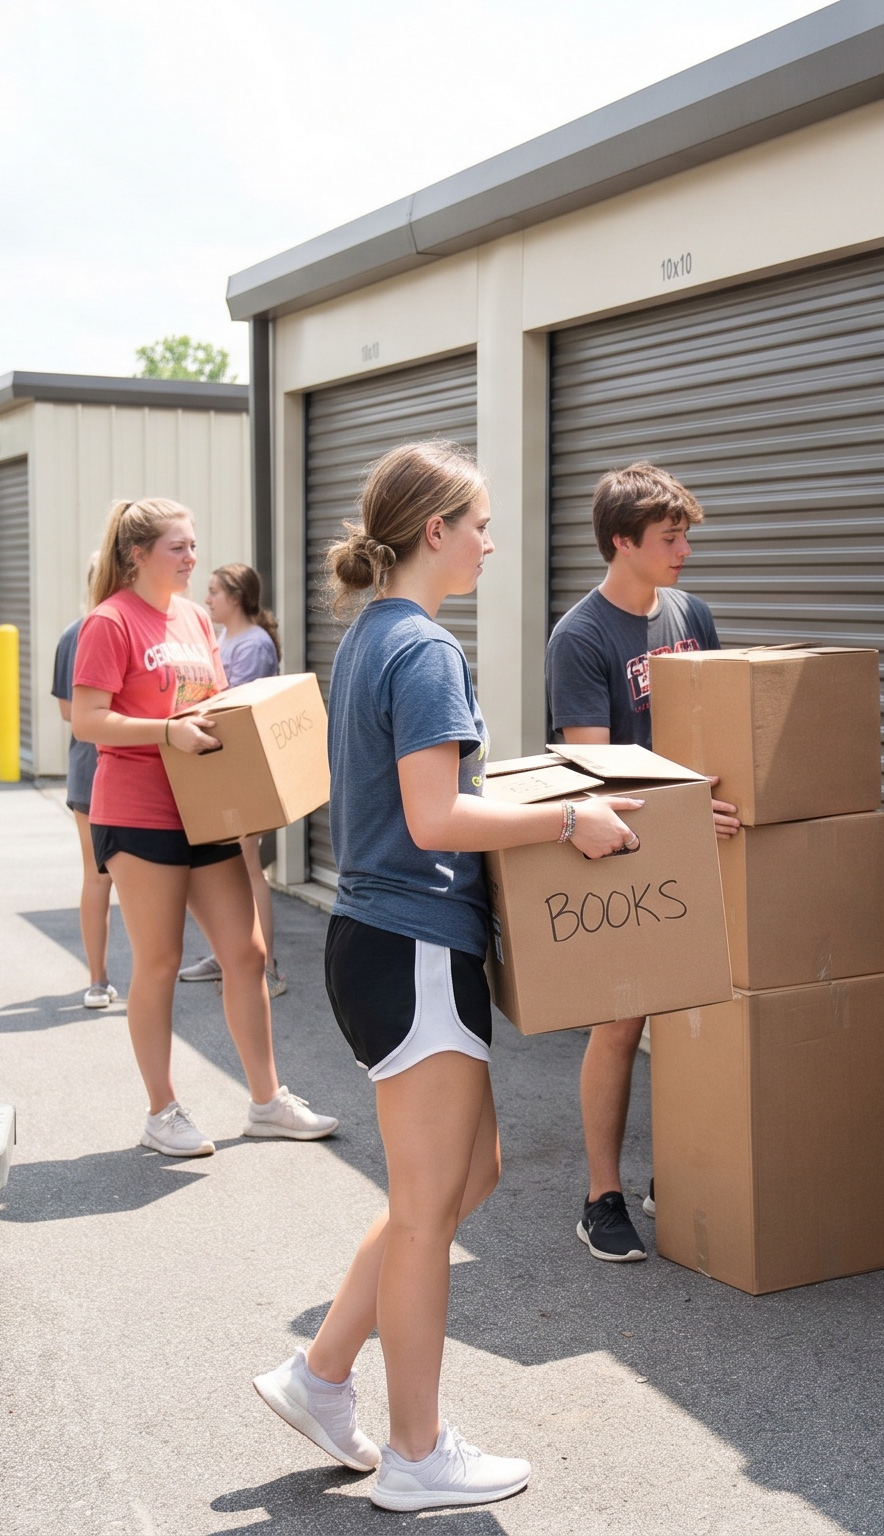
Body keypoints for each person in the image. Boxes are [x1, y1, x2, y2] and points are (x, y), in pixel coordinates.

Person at [249, 441, 640, 1513]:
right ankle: (415, 1454)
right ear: (434, 532)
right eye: (477, 523)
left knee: (470, 1177)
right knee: (428, 1208)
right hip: (412, 943)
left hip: (396, 941)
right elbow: (434, 817)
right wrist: (571, 819)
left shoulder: (374, 635)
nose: (489, 542)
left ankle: (321, 1373)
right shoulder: (421, 649)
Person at [68, 497, 338, 1157]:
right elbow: (86, 720)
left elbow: (214, 705)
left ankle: (267, 1102)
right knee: (158, 962)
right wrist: (165, 731)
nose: (193, 559)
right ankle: (162, 1112)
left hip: (203, 808)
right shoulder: (109, 622)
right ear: (137, 554)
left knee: (244, 954)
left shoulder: (192, 617)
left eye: (193, 547)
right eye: (178, 548)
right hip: (138, 809)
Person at [541, 462, 740, 1264]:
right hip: (623, 849)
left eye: (686, 534)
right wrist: (686, 815)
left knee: (698, 1015)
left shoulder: (690, 612)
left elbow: (722, 722)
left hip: (698, 838)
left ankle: (677, 1175)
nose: (685, 550)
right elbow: (595, 771)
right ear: (623, 542)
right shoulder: (581, 637)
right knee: (621, 1022)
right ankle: (602, 1196)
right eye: (670, 537)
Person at [178, 561, 289, 998]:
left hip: (247, 772)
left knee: (247, 867)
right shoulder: (227, 638)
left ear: (236, 598)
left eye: (214, 592)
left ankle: (265, 968)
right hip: (225, 771)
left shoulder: (254, 645)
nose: (206, 600)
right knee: (233, 869)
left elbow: (234, 706)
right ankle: (229, 956)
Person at [51, 567, 116, 1010]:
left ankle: (98, 981)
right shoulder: (123, 626)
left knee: (97, 877)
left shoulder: (73, 633)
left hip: (86, 771)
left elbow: (68, 711)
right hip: (112, 772)